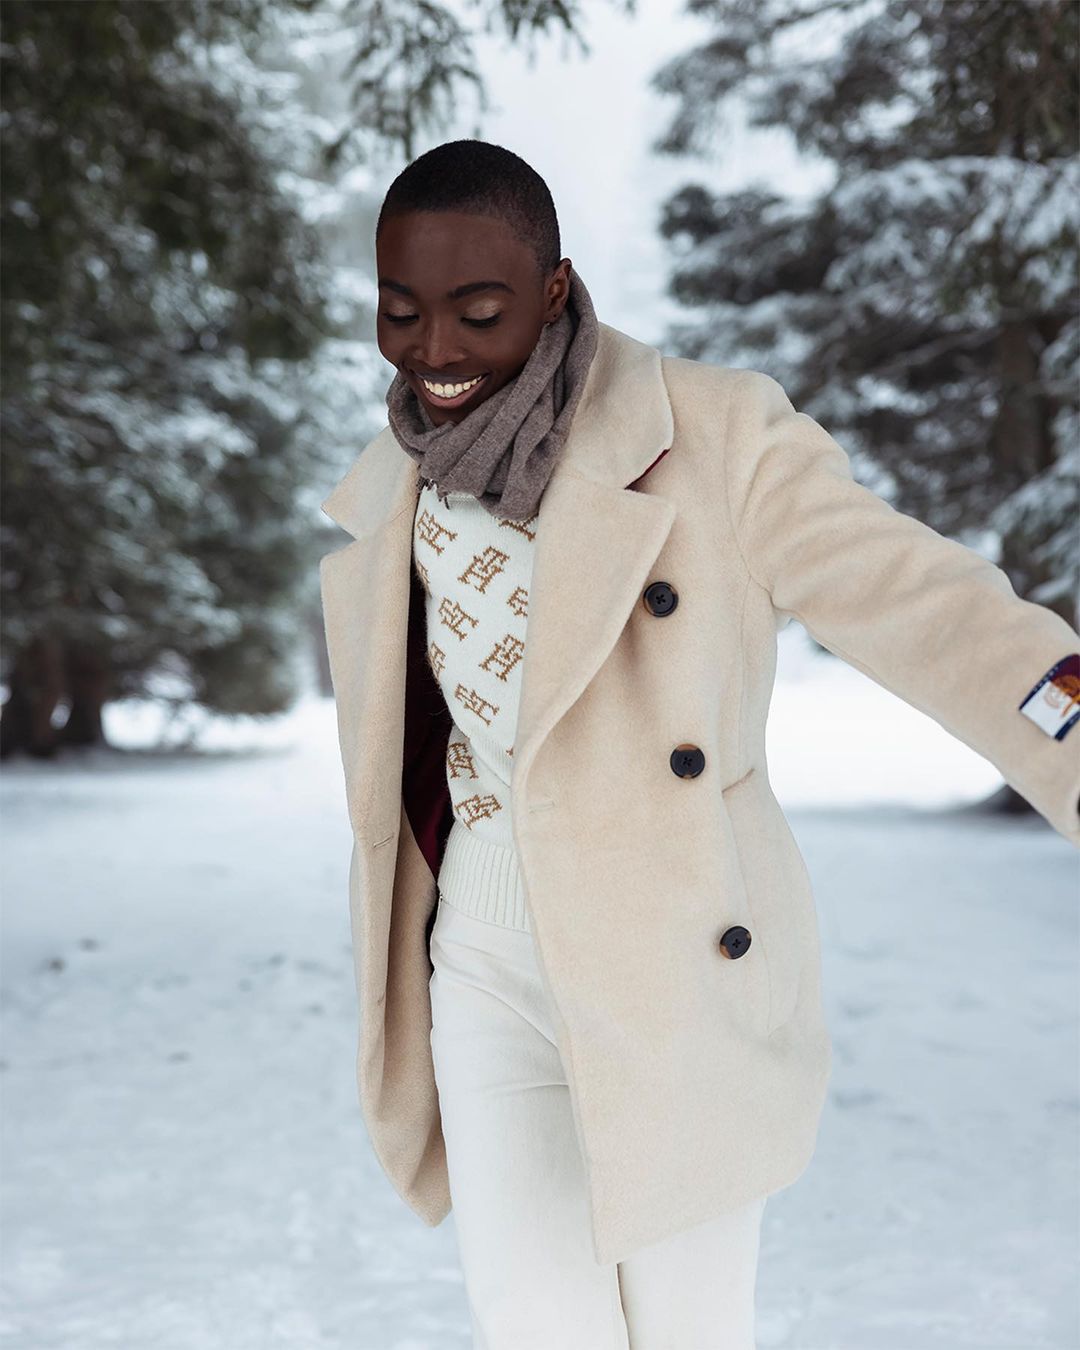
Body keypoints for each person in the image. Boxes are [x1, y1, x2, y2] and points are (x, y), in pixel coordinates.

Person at [319, 138, 1080, 1350]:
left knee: (687, 1330)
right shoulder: (394, 485)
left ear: (555, 290)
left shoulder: (714, 435)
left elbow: (923, 602)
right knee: (534, 1325)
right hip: (482, 952)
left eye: (478, 311)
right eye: (401, 312)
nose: (435, 350)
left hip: (667, 953)